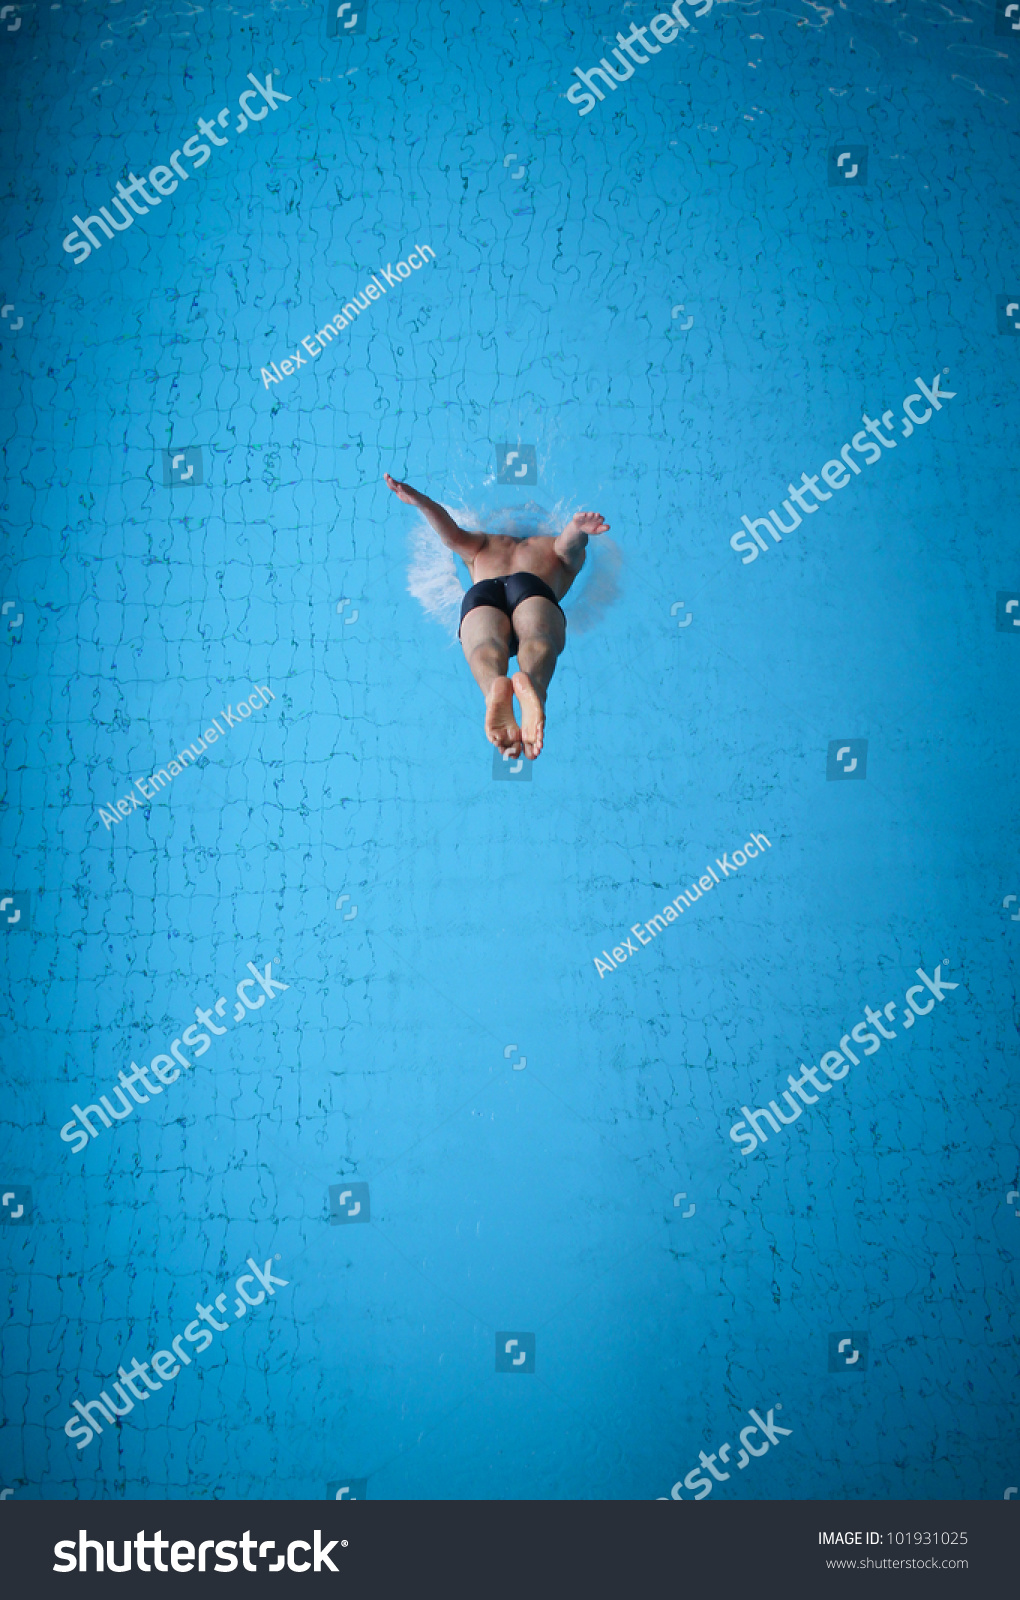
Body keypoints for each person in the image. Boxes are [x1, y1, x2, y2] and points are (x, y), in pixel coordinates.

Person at [385, 474, 609, 760]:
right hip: (533, 587)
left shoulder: (482, 544)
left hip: (482, 594)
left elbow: (449, 533)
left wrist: (422, 502)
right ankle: (535, 689)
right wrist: (578, 529)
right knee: (539, 640)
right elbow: (570, 546)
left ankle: (494, 688)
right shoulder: (549, 547)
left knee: (482, 648)